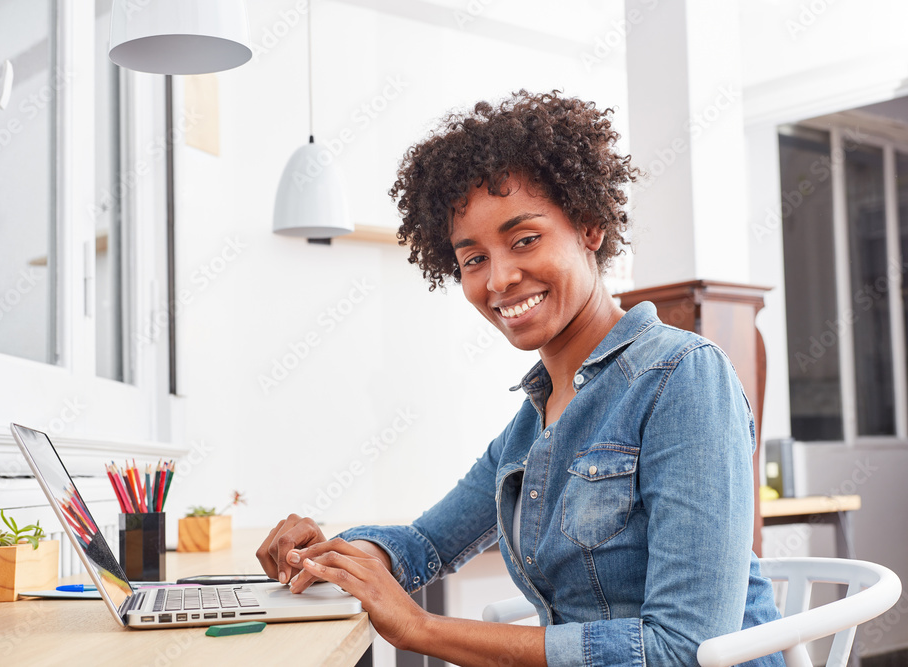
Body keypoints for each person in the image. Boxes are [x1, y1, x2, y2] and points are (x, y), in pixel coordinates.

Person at [256, 90, 784, 666]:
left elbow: (684, 649)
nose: (500, 278)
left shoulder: (683, 378)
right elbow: (426, 544)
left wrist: (422, 630)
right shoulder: (531, 423)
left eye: (524, 239)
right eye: (473, 258)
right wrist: (332, 555)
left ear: (589, 227)